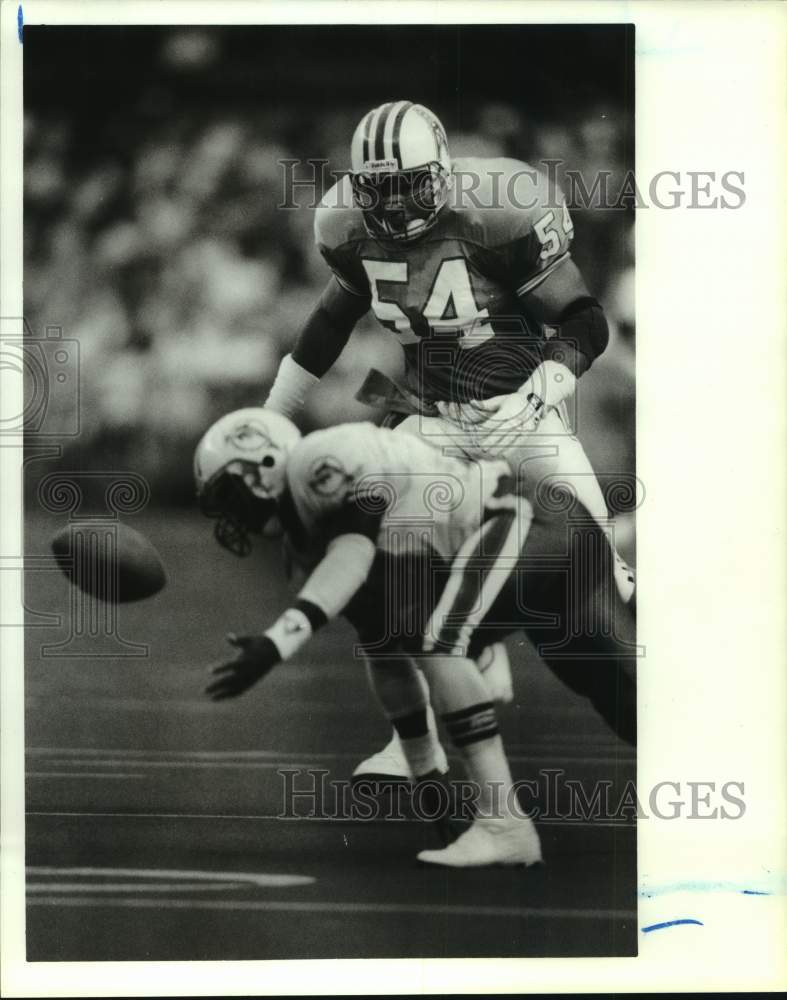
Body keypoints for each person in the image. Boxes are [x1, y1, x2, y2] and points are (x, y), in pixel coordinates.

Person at [263, 101, 634, 778]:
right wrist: (273, 416)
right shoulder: (345, 227)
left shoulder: (500, 208)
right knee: (395, 572)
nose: (395, 203)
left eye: (409, 185)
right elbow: (327, 325)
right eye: (380, 188)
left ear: (441, 171)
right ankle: (418, 737)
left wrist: (544, 386)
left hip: (520, 415)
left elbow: (584, 319)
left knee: (600, 579)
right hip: (430, 421)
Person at [194, 408, 636, 867]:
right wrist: (425, 770)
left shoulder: (316, 460)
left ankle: (503, 825)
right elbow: (386, 654)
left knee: (436, 641)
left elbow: (354, 548)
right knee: (625, 697)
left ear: (263, 464)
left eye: (227, 493)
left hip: (532, 522)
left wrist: (277, 642)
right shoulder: (304, 551)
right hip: (549, 539)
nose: (230, 514)